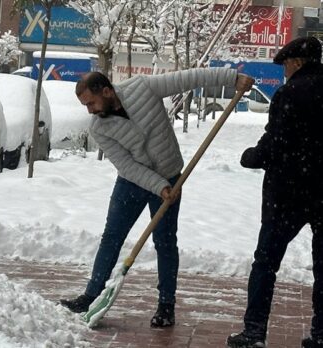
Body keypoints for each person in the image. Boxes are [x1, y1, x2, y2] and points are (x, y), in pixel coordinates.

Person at [59, 68, 254, 327]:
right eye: (85, 106)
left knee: (164, 241)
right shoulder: (99, 128)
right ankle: (91, 294)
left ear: (107, 91)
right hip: (132, 182)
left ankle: (166, 305)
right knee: (112, 237)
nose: (90, 110)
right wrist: (158, 186)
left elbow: (189, 78)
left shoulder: (142, 87)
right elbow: (126, 166)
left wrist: (231, 78)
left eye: (91, 103)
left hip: (171, 175)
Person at [227, 37, 323, 348]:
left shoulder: (289, 94)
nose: (283, 72)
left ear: (296, 62)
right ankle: (321, 333)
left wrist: (250, 156)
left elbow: (276, 143)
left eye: (285, 66)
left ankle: (254, 332)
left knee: (266, 262)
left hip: (289, 193)